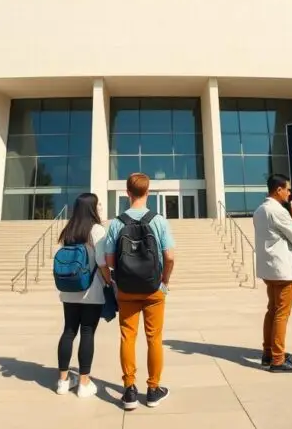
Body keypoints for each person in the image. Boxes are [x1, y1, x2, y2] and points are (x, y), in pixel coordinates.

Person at [104, 173, 176, 410]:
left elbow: (110, 260)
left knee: (128, 336)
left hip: (126, 289)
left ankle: (129, 390)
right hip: (154, 288)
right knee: (154, 338)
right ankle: (153, 389)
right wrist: (164, 282)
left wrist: (120, 279)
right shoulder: (159, 221)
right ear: (148, 192)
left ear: (127, 193)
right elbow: (170, 257)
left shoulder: (116, 223)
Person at [55, 193, 112, 398]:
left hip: (68, 291)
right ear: (93, 208)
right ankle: (84, 383)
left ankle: (62, 381)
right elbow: (102, 262)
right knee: (87, 332)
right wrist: (109, 281)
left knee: (68, 331)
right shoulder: (96, 230)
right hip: (91, 291)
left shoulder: (68, 230)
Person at [252, 173, 292, 373]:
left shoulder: (259, 210)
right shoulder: (279, 212)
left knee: (272, 311)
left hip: (269, 269)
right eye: (288, 189)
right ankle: (278, 359)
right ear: (279, 190)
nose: (290, 193)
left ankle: (268, 352)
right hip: (283, 271)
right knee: (281, 314)